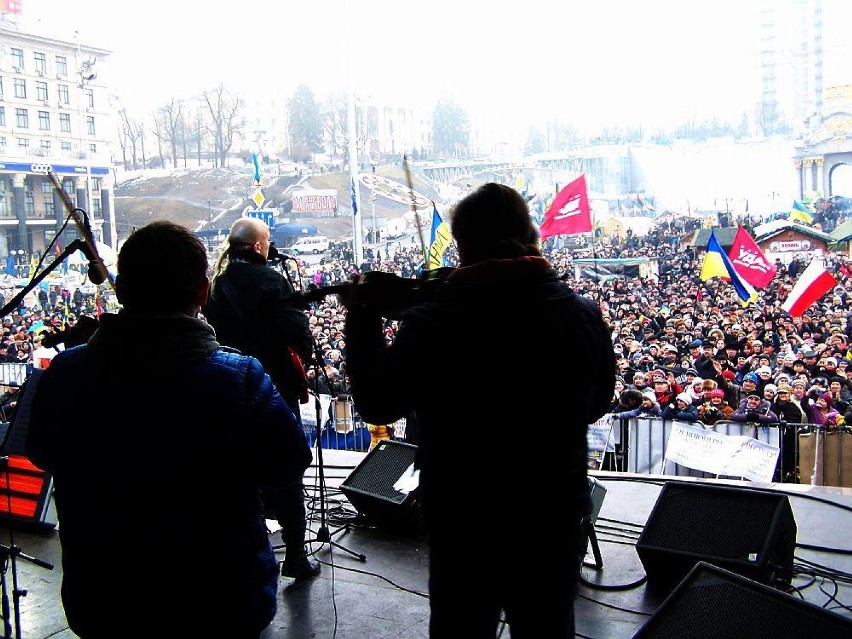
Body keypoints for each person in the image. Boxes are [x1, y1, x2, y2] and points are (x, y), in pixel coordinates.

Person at [343, 183, 615, 638]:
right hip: (551, 511)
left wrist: (362, 318)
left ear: (464, 245)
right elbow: (597, 404)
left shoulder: (432, 323)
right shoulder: (582, 314)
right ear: (529, 234)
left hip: (464, 516)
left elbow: (376, 403)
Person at [24, 221, 313, 638]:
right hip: (221, 602)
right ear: (202, 293)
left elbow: (41, 452)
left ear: (121, 290)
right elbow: (288, 465)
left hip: (105, 602)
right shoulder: (241, 378)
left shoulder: (66, 373)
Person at [202, 217, 320, 579]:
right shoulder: (273, 279)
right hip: (273, 387)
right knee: (288, 467)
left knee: (239, 474)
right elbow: (299, 333)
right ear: (257, 247)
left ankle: (248, 558)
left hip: (227, 384)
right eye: (266, 241)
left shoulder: (218, 286)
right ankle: (297, 556)